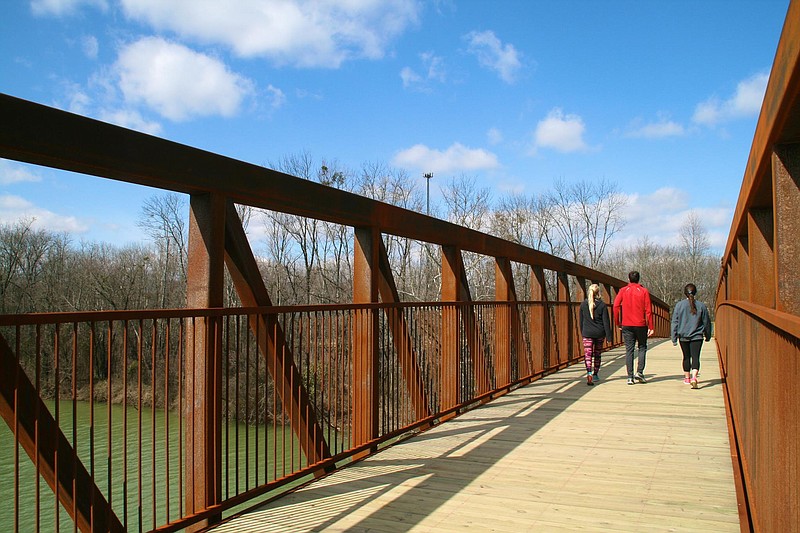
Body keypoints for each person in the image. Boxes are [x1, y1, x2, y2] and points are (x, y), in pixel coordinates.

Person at [613, 271, 654, 385]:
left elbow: (616, 306)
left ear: (629, 279)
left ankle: (630, 377)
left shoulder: (623, 290)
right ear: (638, 279)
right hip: (640, 324)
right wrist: (651, 326)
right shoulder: (644, 291)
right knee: (642, 347)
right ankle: (639, 372)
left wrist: (618, 323)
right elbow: (648, 310)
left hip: (626, 324)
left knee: (629, 350)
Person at [671, 283, 712, 389]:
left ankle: (687, 378)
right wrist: (707, 335)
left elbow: (675, 322)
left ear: (685, 293)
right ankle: (694, 377)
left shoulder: (679, 305)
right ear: (695, 292)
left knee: (686, 357)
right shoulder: (701, 306)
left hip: (683, 336)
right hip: (697, 336)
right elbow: (706, 322)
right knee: (695, 357)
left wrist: (674, 337)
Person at [579, 284, 613, 386]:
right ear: (598, 293)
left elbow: (581, 321)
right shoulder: (602, 305)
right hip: (599, 333)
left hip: (587, 332)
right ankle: (595, 374)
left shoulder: (583, 304)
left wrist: (583, 332)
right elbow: (606, 322)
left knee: (588, 354)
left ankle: (589, 373)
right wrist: (609, 336)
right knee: (597, 354)